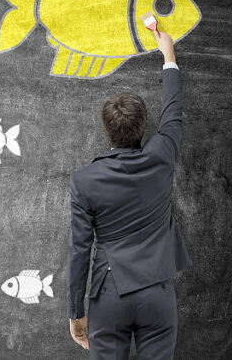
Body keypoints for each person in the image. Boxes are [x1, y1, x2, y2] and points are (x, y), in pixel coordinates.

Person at [66, 29, 193, 359]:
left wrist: (75, 311)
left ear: (107, 130)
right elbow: (173, 110)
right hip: (157, 294)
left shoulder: (84, 181)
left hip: (109, 295)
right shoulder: (162, 154)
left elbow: (80, 250)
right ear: (143, 127)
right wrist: (168, 56)